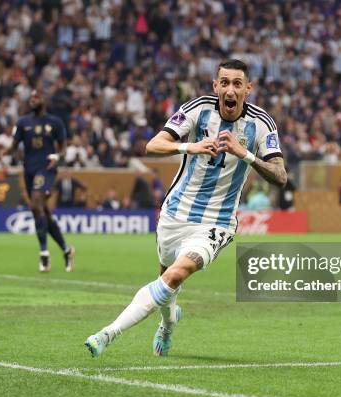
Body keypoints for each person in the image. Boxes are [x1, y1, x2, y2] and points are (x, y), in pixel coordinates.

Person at [85, 59, 286, 357]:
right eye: (225, 83)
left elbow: (280, 176)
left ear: (248, 89)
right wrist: (188, 146)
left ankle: (108, 333)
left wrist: (245, 154)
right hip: (175, 213)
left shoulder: (260, 123)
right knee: (167, 280)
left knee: (177, 275)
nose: (230, 89)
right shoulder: (198, 109)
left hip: (215, 222)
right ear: (215, 86)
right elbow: (153, 145)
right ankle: (168, 324)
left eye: (237, 84)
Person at [4, 90, 75, 273]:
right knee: (42, 211)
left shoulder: (55, 123)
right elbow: (13, 146)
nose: (33, 100)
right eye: (31, 97)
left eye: (36, 97)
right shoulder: (23, 122)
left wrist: (57, 157)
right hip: (29, 169)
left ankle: (44, 254)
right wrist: (4, 152)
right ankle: (67, 250)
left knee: (36, 203)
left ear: (44, 100)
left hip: (47, 169)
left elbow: (63, 149)